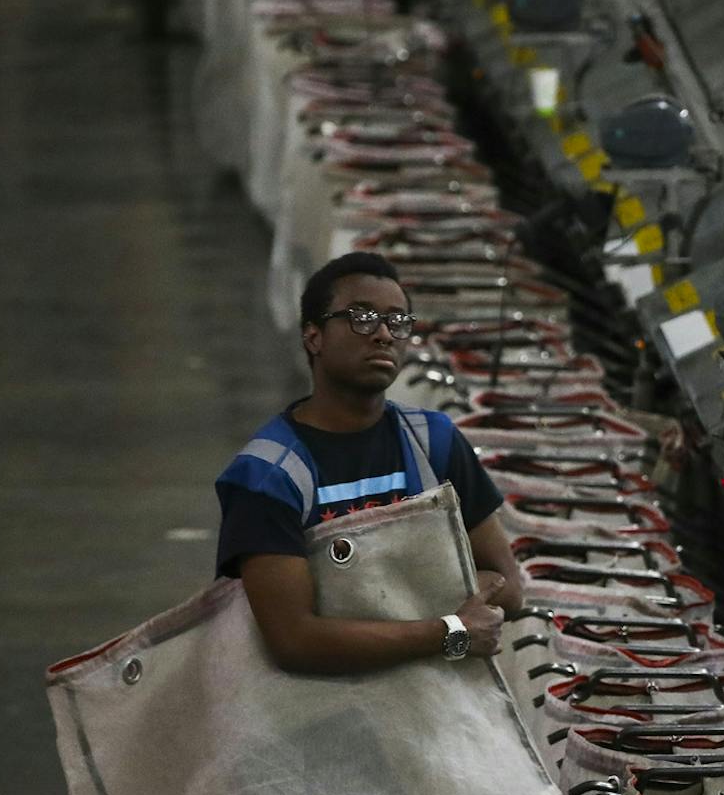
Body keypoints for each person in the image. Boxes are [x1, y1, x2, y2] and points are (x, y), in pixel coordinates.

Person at [216, 252, 524, 674]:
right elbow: (295, 640)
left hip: (433, 698)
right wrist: (448, 629)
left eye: (397, 321)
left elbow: (509, 586)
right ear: (313, 337)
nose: (383, 334)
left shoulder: (433, 440)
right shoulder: (268, 474)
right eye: (361, 318)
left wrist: (365, 619)